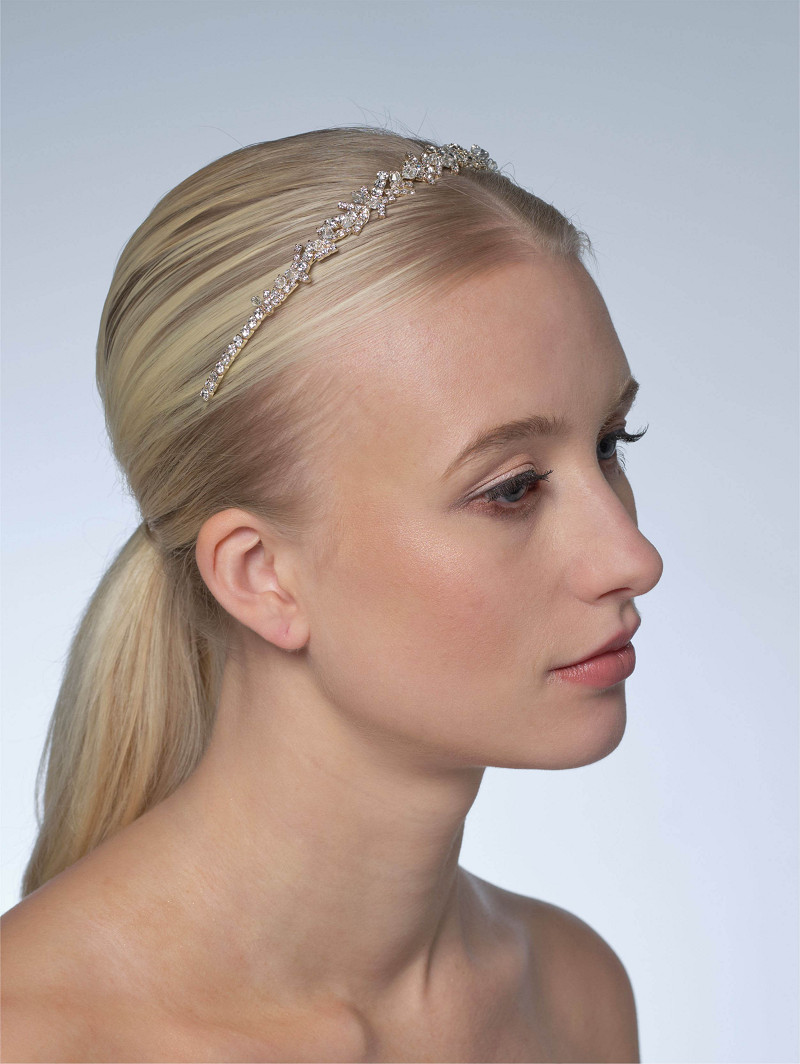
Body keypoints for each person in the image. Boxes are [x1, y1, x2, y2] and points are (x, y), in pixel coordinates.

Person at [1, 126, 663, 1062]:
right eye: (512, 488)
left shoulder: (572, 996)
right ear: (261, 576)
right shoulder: (39, 1039)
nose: (632, 556)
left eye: (609, 445)